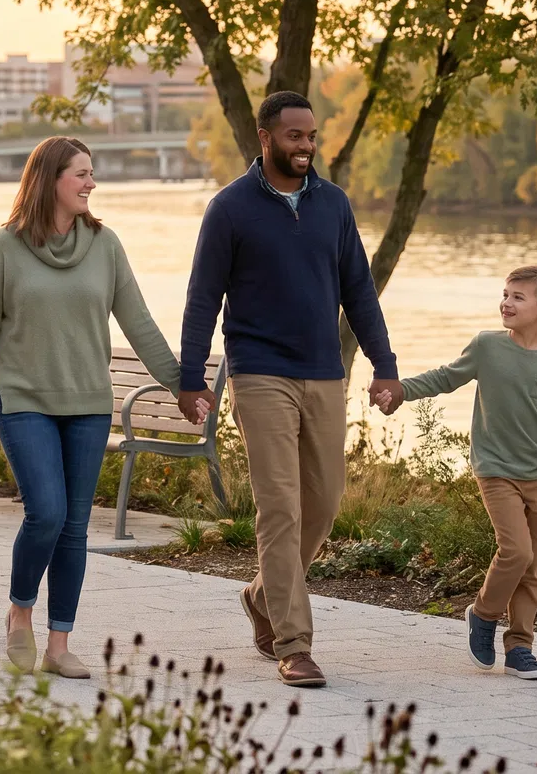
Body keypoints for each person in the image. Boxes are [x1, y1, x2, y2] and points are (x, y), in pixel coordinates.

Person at [178, 91, 402, 689]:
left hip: (325, 372)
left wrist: (385, 364)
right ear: (266, 137)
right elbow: (203, 297)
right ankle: (293, 642)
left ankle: (260, 596)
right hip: (259, 373)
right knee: (280, 504)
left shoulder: (333, 205)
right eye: (295, 136)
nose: (306, 146)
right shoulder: (230, 209)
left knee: (324, 503)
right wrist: (190, 376)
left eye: (311, 136)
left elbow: (359, 290)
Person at [0, 136, 182, 680]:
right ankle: (20, 612)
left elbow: (139, 324)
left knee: (74, 526)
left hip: (88, 405)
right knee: (46, 513)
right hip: (25, 400)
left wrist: (181, 386)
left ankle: (59, 645)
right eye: (81, 174)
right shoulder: (3, 247)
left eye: (92, 174)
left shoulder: (105, 244)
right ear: (50, 178)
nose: (92, 184)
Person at [378, 265, 537, 681]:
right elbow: (446, 377)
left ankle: (520, 648)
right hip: (495, 469)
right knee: (516, 550)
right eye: (505, 293)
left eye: (518, 297)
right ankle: (482, 614)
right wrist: (402, 389)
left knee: (534, 567)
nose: (506, 302)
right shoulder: (486, 346)